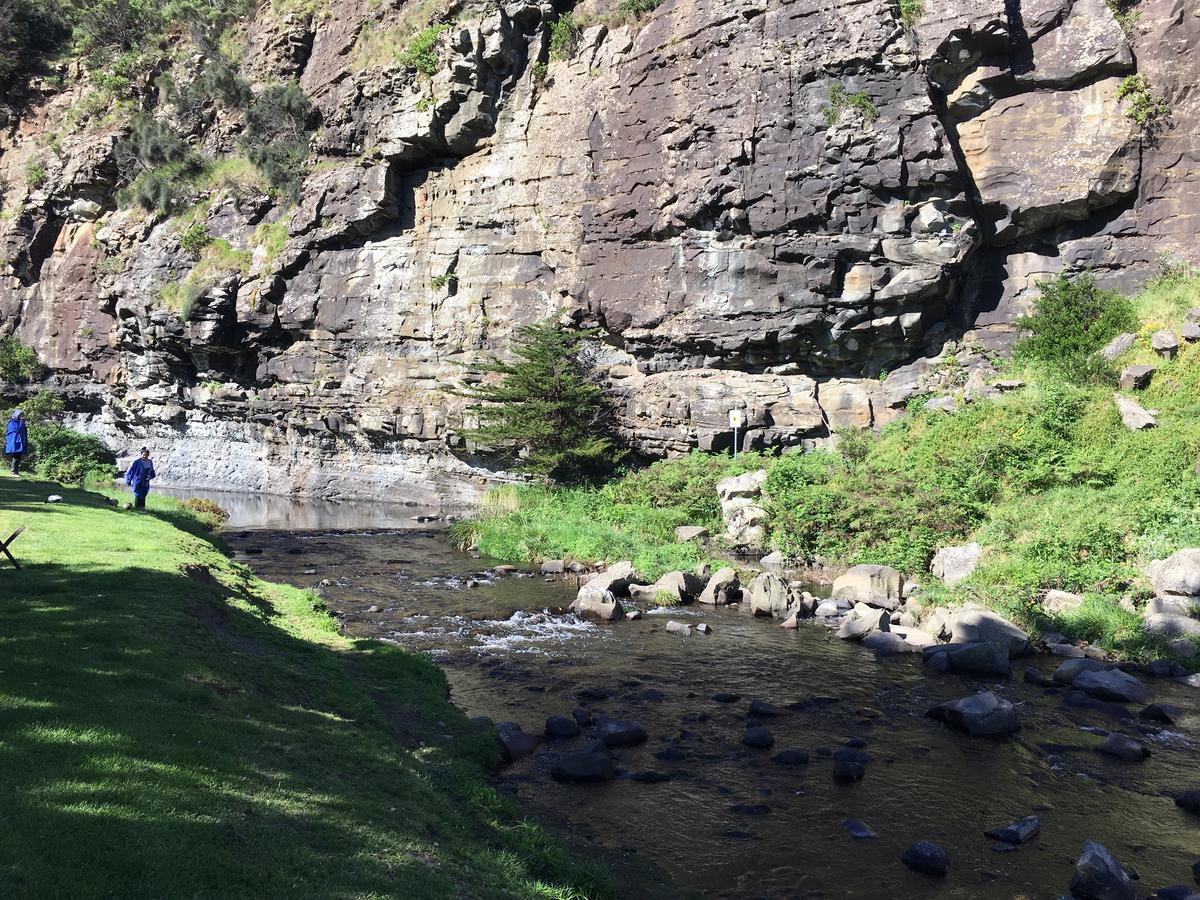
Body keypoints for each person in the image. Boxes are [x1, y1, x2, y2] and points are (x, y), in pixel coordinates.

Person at [5, 409, 27, 476]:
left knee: (18, 456)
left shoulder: (19, 422)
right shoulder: (12, 422)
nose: (21, 416)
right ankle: (13, 472)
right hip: (15, 442)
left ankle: (16, 472)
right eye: (19, 415)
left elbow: (24, 431)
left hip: (19, 442)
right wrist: (21, 422)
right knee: (16, 456)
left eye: (21, 415)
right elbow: (17, 430)